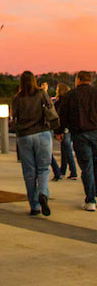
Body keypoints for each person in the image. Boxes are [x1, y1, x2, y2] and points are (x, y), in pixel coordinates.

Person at [12, 70, 54, 216]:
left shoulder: (17, 98)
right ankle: (43, 193)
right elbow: (50, 108)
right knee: (43, 168)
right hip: (42, 133)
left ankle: (34, 205)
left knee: (29, 172)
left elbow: (14, 118)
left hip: (24, 136)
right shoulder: (42, 94)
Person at [56, 70, 97, 211]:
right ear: (90, 80)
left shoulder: (70, 96)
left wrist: (59, 131)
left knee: (87, 167)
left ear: (78, 80)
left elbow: (63, 115)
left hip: (79, 134)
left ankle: (91, 200)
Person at [53, 83, 78, 180]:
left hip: (64, 129)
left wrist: (58, 131)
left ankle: (73, 171)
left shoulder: (60, 103)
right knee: (64, 149)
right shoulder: (72, 101)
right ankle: (62, 170)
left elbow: (59, 117)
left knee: (67, 149)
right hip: (71, 128)